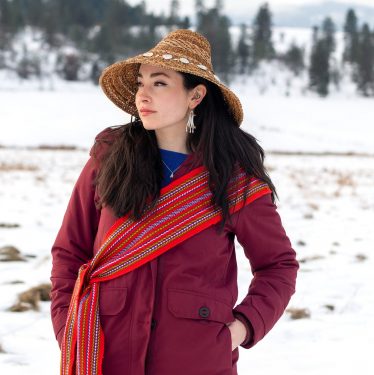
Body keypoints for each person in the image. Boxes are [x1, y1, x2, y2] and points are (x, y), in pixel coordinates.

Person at [50, 29, 299, 375]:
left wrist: (242, 327)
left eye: (160, 83)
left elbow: (279, 265)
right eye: (141, 82)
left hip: (195, 363)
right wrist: (69, 327)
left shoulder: (233, 178)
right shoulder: (109, 158)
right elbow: (69, 252)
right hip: (103, 356)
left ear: (195, 95)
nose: (143, 94)